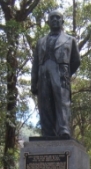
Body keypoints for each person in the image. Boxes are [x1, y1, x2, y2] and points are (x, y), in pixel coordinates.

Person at [31, 10, 81, 138]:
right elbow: (35, 63)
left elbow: (76, 60)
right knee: (44, 103)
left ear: (62, 21)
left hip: (60, 72)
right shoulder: (41, 41)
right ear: (47, 22)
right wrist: (34, 83)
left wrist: (66, 73)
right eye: (52, 18)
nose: (54, 20)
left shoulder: (70, 40)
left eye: (57, 18)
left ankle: (63, 129)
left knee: (62, 101)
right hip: (43, 74)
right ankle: (47, 131)